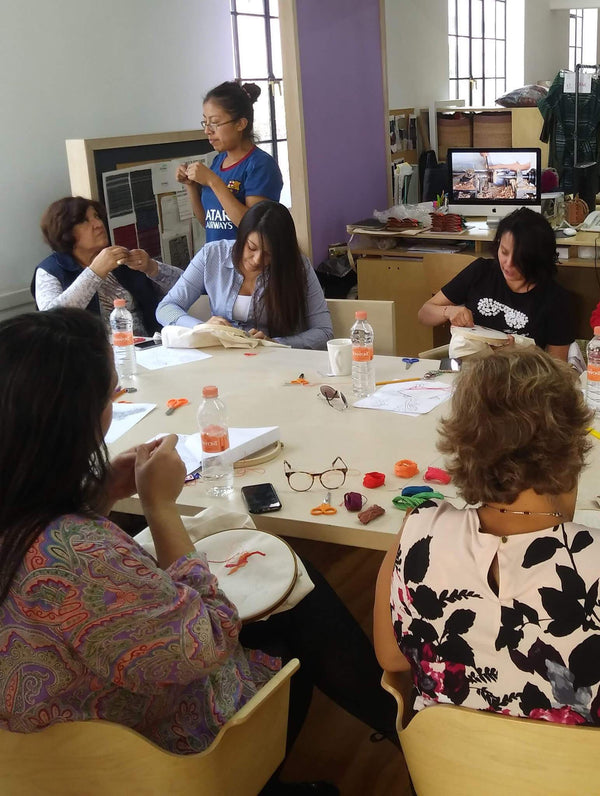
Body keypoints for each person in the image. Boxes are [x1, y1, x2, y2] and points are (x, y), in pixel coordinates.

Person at [0, 308, 395, 789]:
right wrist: (160, 507)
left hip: (31, 755)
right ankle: (405, 736)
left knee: (287, 588)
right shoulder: (79, 554)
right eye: (111, 394)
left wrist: (99, 495)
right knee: (294, 601)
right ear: (78, 418)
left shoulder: (27, 513)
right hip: (134, 760)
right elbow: (205, 641)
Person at [373, 347, 600, 725]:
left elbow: (391, 656)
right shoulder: (592, 563)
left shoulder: (418, 530)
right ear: (572, 447)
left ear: (463, 446)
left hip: (443, 760)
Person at [156, 200, 333, 350]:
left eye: (269, 254)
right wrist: (202, 327)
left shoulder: (297, 266)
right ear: (241, 237)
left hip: (274, 361)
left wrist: (277, 343)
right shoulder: (213, 255)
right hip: (222, 357)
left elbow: (324, 332)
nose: (257, 260)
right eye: (251, 247)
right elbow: (166, 308)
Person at [417, 207, 574, 360]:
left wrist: (518, 353)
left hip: (522, 374)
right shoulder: (481, 271)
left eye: (520, 259)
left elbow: (557, 367)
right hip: (471, 369)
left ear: (537, 259)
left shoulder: (555, 299)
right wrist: (448, 311)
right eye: (504, 252)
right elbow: (424, 313)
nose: (508, 264)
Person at [32, 196, 182, 336]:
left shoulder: (120, 258)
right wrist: (95, 273)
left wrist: (152, 268)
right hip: (89, 352)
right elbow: (51, 320)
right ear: (65, 231)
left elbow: (186, 287)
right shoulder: (50, 270)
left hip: (149, 347)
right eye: (84, 221)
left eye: (97, 217)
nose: (98, 225)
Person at [177, 81, 283, 242]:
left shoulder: (261, 165)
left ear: (240, 124)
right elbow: (208, 222)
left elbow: (254, 227)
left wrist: (213, 181)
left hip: (246, 257)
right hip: (217, 256)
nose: (207, 130)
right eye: (205, 122)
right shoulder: (218, 161)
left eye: (215, 123)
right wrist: (190, 185)